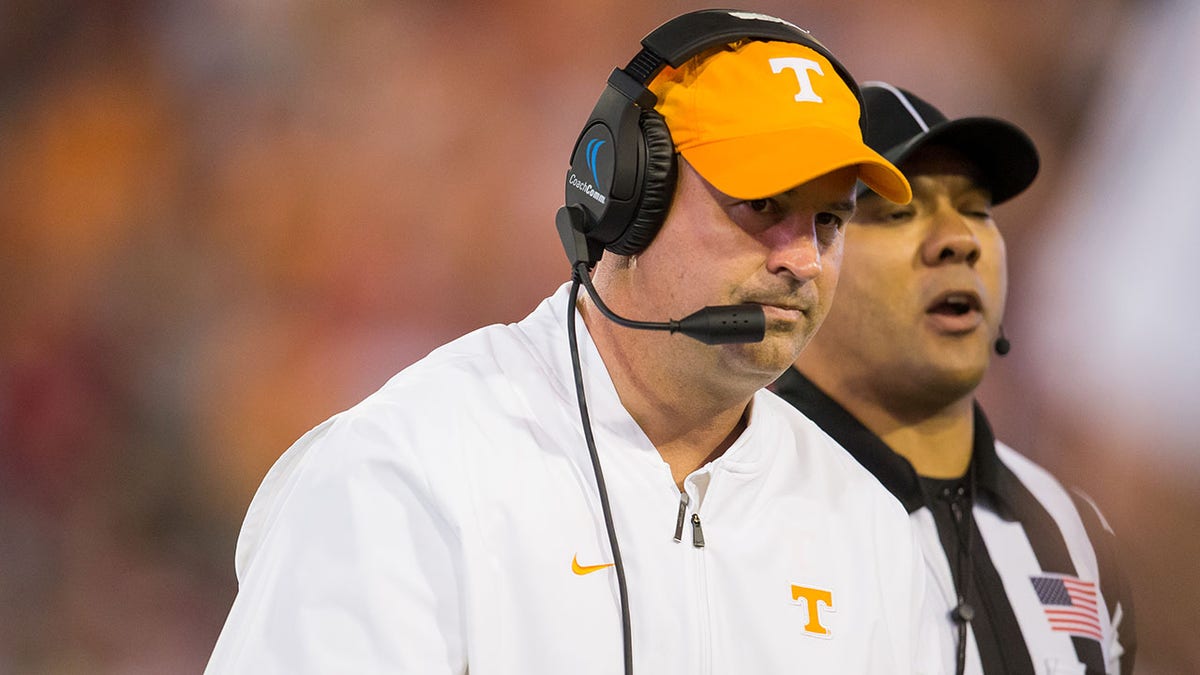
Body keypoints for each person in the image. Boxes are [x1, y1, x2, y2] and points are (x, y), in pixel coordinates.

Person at [204, 10, 946, 675]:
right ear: (627, 195)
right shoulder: (407, 472)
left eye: (829, 222)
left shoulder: (870, 531)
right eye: (761, 204)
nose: (804, 259)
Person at [772, 81, 1136, 675]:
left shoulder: (1070, 528)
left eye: (975, 211)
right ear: (804, 260)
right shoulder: (721, 497)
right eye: (899, 213)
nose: (958, 242)